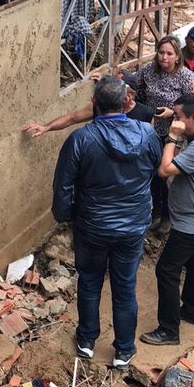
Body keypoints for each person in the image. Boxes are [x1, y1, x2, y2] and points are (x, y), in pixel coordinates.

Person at [52, 76, 162, 368]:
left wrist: (65, 216)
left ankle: (87, 341)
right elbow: (154, 170)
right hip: (133, 226)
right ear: (127, 103)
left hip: (92, 226)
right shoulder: (147, 135)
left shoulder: (81, 139)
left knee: (89, 282)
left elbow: (63, 186)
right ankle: (124, 350)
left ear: (94, 104)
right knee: (125, 286)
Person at [140, 93, 194, 346]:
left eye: (178, 117)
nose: (174, 121)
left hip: (193, 223)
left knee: (166, 270)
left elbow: (165, 169)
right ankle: (192, 311)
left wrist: (172, 137)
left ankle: (169, 331)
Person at [134, 35, 194, 231]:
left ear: (177, 57)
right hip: (152, 130)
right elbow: (136, 88)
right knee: (153, 172)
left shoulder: (187, 77)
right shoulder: (148, 72)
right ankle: (155, 212)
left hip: (175, 132)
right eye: (161, 52)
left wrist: (173, 112)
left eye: (169, 54)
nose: (164, 57)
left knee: (169, 174)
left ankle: (168, 216)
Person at [22, 70, 154, 138]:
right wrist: (46, 127)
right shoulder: (102, 107)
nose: (113, 89)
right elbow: (71, 118)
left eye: (118, 88)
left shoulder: (146, 114)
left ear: (131, 95)